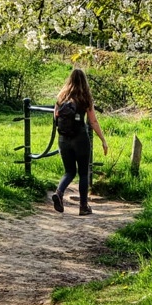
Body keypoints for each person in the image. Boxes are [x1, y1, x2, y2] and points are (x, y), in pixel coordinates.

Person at [51, 69, 108, 216]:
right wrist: (103, 140)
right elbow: (93, 121)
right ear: (84, 81)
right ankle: (83, 207)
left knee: (69, 171)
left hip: (63, 139)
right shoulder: (85, 98)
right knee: (83, 173)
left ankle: (59, 192)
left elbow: (55, 118)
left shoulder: (61, 97)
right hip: (80, 138)